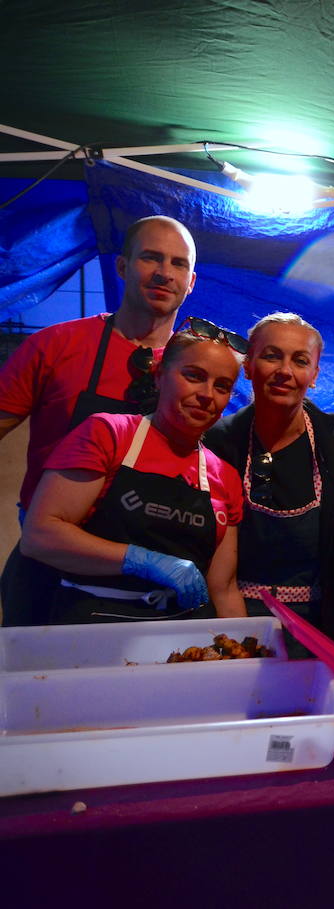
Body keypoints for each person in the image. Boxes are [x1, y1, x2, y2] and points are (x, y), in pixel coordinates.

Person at [0, 215, 199, 625]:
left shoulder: (198, 374)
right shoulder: (54, 347)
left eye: (178, 263)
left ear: (191, 281)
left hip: (149, 585)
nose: (164, 273)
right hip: (50, 569)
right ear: (122, 267)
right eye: (151, 258)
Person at [20, 320, 247, 623]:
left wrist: (243, 654)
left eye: (222, 387)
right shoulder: (108, 435)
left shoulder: (225, 476)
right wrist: (140, 561)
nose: (208, 394)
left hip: (179, 640)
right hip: (91, 627)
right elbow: (40, 536)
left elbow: (224, 591)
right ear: (159, 376)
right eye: (194, 376)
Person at [203, 313, 334, 655]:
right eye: (271, 356)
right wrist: (235, 640)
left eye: (300, 361)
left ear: (314, 375)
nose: (285, 371)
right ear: (248, 365)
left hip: (324, 625)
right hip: (235, 620)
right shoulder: (218, 443)